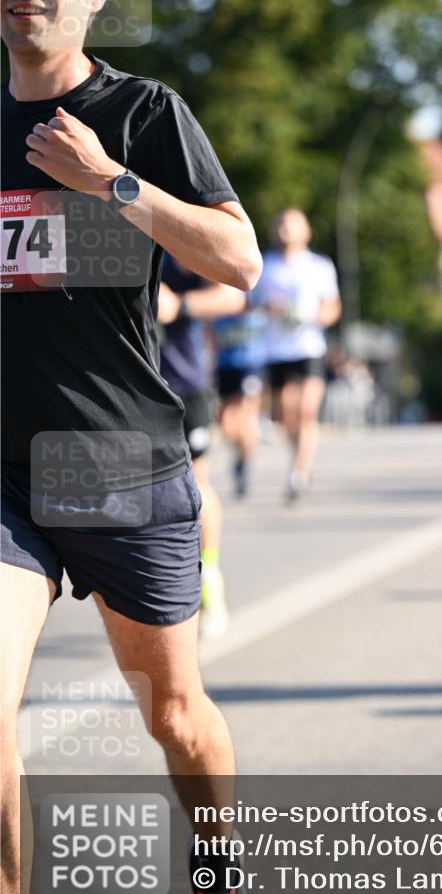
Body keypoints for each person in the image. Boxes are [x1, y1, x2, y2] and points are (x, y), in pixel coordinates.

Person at [0, 0, 262, 894]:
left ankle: (218, 888)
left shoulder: (142, 114)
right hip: (9, 474)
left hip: (119, 460)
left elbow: (238, 261)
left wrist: (111, 182)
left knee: (174, 716)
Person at [158, 253, 246, 638]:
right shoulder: (87, 223)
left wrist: (178, 305)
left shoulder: (163, 219)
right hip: (117, 386)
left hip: (181, 382)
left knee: (195, 482)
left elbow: (233, 293)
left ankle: (208, 574)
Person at [254, 207, 342, 503]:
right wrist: (274, 309)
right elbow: (254, 303)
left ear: (306, 231)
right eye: (281, 224)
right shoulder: (266, 265)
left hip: (309, 348)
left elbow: (332, 307)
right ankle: (300, 457)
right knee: (285, 417)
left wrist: (315, 316)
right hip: (277, 349)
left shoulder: (319, 265)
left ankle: (298, 474)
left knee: (306, 411)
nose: (285, 230)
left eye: (292, 225)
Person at [212, 304, 267, 498]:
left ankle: (244, 463)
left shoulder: (253, 289)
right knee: (226, 424)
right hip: (225, 365)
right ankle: (242, 455)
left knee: (244, 413)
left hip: (250, 364)